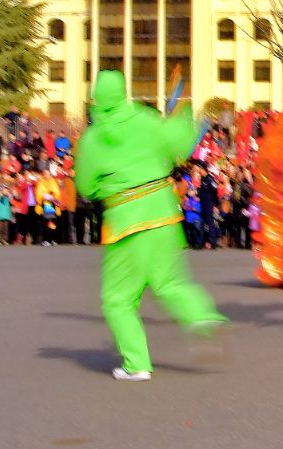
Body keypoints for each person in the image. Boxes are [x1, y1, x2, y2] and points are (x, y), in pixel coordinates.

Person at [74, 70, 227, 381]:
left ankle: (136, 363)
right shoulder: (144, 119)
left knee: (118, 299)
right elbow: (180, 146)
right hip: (162, 211)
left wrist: (105, 186)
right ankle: (203, 318)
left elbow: (86, 186)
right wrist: (181, 114)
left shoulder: (92, 138)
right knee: (170, 283)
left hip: (126, 221)